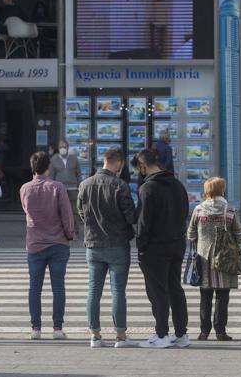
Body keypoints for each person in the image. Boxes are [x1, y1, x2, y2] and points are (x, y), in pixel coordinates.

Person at [77, 148, 137, 348]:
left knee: (94, 289)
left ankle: (95, 335)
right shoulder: (120, 186)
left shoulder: (84, 185)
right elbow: (131, 216)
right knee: (118, 291)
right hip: (118, 245)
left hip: (93, 244)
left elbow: (81, 211)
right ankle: (120, 336)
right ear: (118, 163)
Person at [135, 148, 189, 348]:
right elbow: (185, 211)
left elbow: (143, 222)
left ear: (143, 165)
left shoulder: (147, 188)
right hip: (177, 243)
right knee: (175, 288)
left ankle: (162, 334)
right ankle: (182, 334)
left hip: (155, 247)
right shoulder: (177, 184)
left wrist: (141, 246)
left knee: (158, 291)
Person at [20, 152, 76, 340]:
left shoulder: (24, 189)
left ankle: (35, 328)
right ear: (48, 167)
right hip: (58, 243)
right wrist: (70, 235)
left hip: (35, 243)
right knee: (58, 287)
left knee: (34, 288)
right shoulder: (57, 187)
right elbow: (66, 215)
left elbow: (27, 212)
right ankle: (57, 328)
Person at [187, 177, 241, 342]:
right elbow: (239, 236)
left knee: (205, 296)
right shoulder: (230, 210)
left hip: (204, 258)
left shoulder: (198, 210)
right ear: (222, 190)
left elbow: (190, 234)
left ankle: (204, 332)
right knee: (222, 296)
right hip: (224, 259)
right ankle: (220, 331)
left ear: (207, 191)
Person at [50, 141, 81, 222]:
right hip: (59, 189)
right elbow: (51, 176)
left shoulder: (74, 158)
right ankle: (61, 230)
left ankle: (75, 230)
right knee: (59, 210)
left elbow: (79, 174)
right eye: (60, 147)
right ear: (58, 148)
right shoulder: (54, 159)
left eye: (64, 147)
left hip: (73, 188)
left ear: (68, 147)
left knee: (74, 211)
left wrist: (79, 186)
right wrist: (51, 189)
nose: (62, 149)